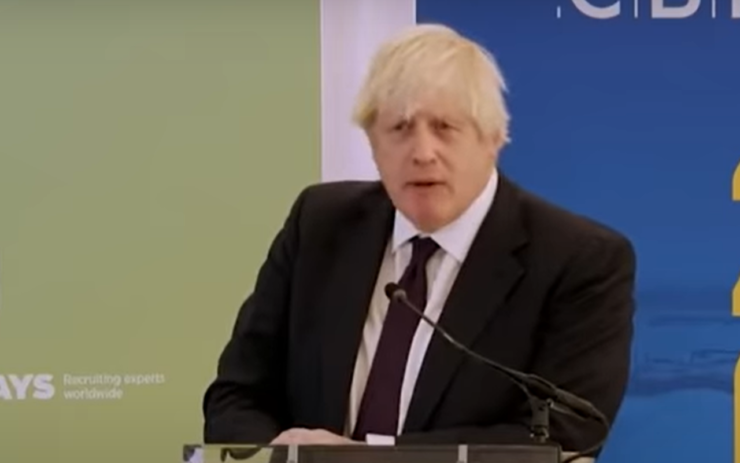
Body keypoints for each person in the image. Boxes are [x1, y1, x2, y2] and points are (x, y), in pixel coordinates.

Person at [202, 23, 636, 457]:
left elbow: (564, 435)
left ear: (493, 139)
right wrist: (278, 452)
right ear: (373, 143)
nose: (422, 153)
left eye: (445, 127)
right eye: (400, 128)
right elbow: (238, 394)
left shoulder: (578, 259)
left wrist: (364, 457)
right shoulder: (320, 224)